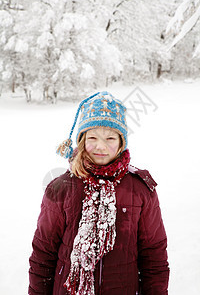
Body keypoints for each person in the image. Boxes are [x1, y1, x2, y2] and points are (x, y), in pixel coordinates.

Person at [29, 91, 169, 295]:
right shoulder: (60, 188)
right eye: (92, 137)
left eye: (110, 138)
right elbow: (43, 254)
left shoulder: (140, 189)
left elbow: (154, 256)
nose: (100, 146)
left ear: (121, 142)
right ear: (82, 141)